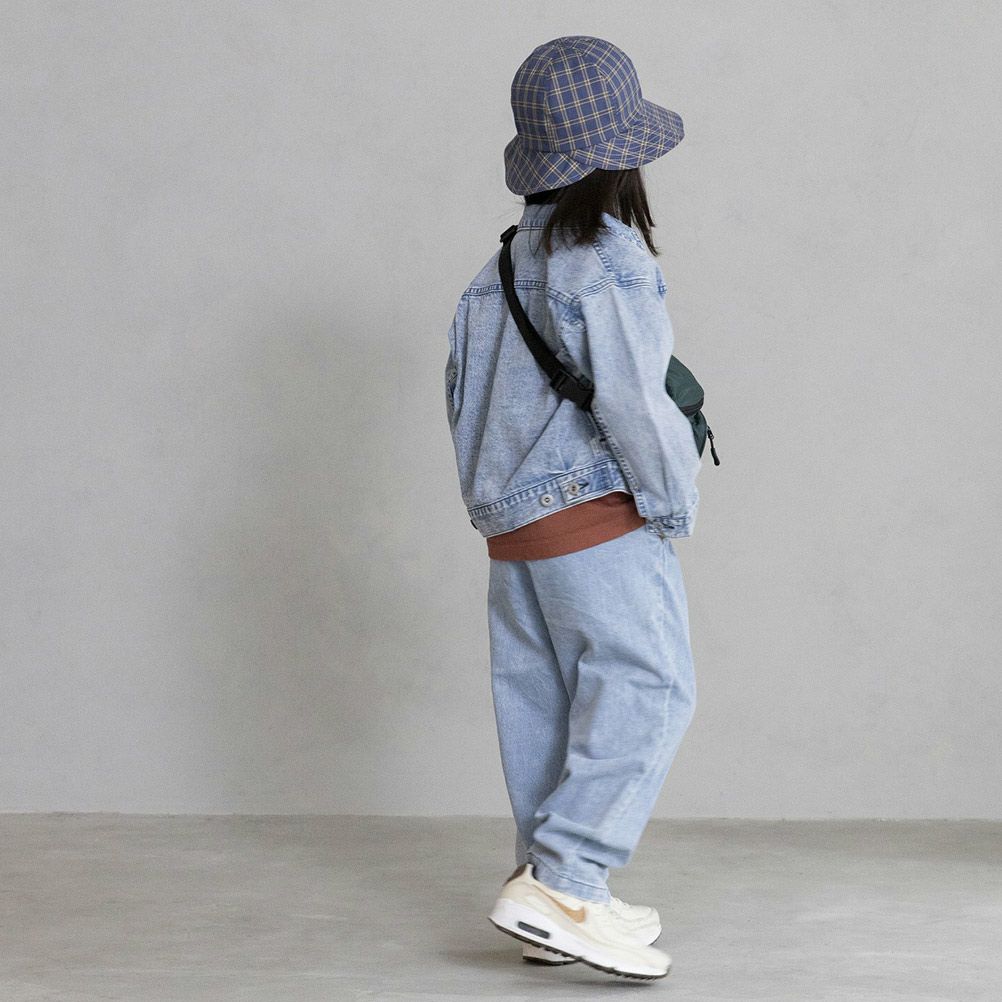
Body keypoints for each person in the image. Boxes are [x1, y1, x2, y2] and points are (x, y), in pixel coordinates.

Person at [443, 35, 702, 981]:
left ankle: (547, 891)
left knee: (543, 704)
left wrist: (499, 510)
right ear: (619, 155)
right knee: (650, 686)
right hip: (594, 514)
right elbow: (635, 399)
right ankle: (566, 879)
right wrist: (671, 502)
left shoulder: (499, 267)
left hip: (515, 534)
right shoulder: (605, 255)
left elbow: (464, 402)